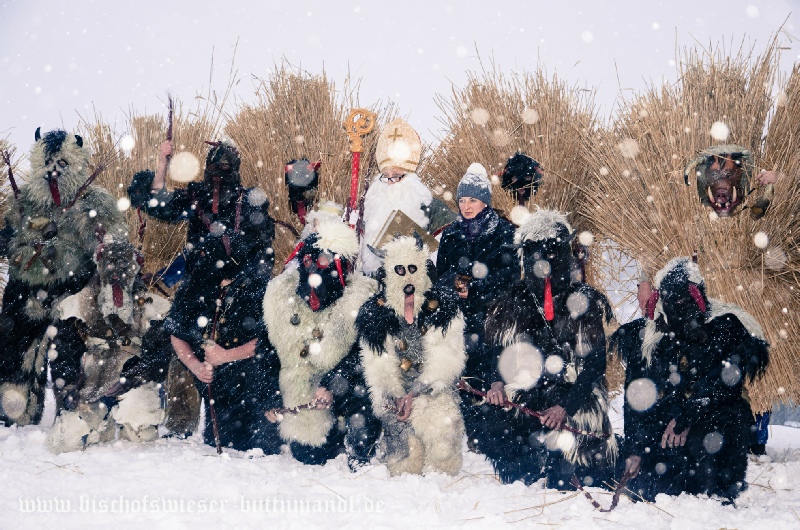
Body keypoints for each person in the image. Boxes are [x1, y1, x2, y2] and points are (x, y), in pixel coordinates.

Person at [128, 139, 280, 453]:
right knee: (180, 342)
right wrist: (162, 163)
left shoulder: (251, 201)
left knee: (252, 363)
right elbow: (157, 203)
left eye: (226, 165)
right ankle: (182, 421)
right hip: (201, 283)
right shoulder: (197, 196)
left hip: (242, 288)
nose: (221, 171)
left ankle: (260, 421)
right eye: (216, 165)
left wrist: (241, 280)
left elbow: (264, 251)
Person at [0, 128, 130, 425]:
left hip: (70, 290)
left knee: (67, 352)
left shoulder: (93, 201)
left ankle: (71, 414)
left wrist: (105, 249)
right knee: (14, 350)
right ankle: (15, 412)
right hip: (23, 288)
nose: (53, 171)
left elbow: (111, 243)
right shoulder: (24, 200)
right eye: (48, 163)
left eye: (62, 163)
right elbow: (9, 234)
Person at [613, 257, 769, 503]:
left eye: (684, 301)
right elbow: (636, 396)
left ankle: (717, 491)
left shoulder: (725, 328)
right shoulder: (648, 338)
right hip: (668, 427)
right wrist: (635, 450)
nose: (679, 308)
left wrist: (686, 416)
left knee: (725, 425)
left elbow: (724, 385)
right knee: (650, 488)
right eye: (672, 302)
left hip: (711, 423)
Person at [482, 208, 618, 487]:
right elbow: (498, 350)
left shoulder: (585, 301)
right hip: (529, 386)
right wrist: (496, 383)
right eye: (536, 255)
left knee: (574, 467)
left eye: (553, 254)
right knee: (495, 421)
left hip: (574, 391)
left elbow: (595, 365)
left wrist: (565, 406)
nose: (544, 264)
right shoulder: (513, 300)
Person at [263, 219, 380, 468]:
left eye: (326, 263)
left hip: (343, 387)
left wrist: (331, 385)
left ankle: (359, 449)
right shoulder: (280, 298)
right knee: (309, 455)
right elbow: (267, 352)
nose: (316, 269)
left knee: (363, 397)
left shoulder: (358, 299)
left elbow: (363, 354)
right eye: (309, 262)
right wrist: (269, 398)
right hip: (300, 394)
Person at [357, 235, 466, 476]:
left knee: (443, 450)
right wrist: (394, 395)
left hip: (431, 388)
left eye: (413, 269)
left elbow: (448, 356)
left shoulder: (444, 308)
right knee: (405, 462)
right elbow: (376, 363)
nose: (407, 277)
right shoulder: (375, 314)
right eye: (399, 270)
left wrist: (417, 391)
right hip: (395, 394)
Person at [435, 163, 517, 453]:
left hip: (494, 313)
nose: (467, 206)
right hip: (459, 313)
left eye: (473, 200)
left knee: (491, 369)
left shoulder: (504, 232)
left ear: (485, 201)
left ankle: (489, 429)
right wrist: (454, 284)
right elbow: (441, 273)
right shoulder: (451, 234)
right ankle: (469, 427)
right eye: (462, 200)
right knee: (462, 370)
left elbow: (509, 276)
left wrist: (476, 288)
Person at [359, 118, 455, 275]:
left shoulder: (432, 207)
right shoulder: (368, 210)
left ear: (410, 178)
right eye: (386, 176)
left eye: (397, 176)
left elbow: (448, 250)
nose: (391, 181)